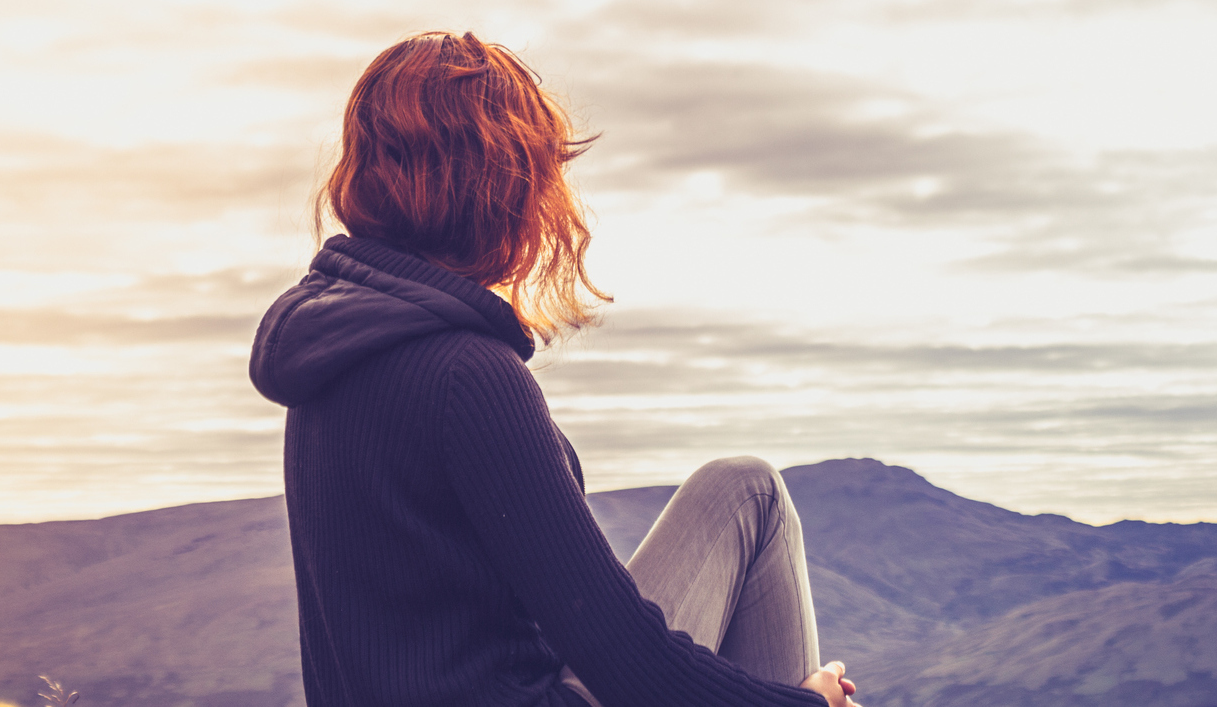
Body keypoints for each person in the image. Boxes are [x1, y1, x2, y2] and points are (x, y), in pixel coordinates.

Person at [247, 31, 863, 707]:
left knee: (737, 483)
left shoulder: (328, 353)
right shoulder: (467, 374)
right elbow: (626, 658)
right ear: (501, 185)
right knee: (752, 494)